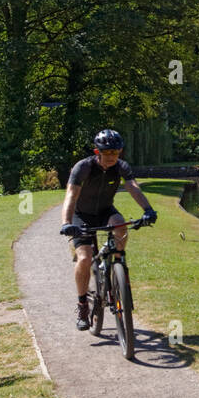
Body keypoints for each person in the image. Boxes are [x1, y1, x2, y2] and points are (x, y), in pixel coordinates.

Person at [59, 129, 156, 330]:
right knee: (85, 258)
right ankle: (83, 305)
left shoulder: (121, 167)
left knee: (120, 224)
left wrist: (147, 210)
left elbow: (133, 187)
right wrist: (67, 223)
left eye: (116, 152)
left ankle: (117, 261)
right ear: (97, 152)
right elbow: (71, 195)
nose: (112, 156)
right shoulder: (83, 168)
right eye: (107, 152)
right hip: (81, 215)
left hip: (105, 210)